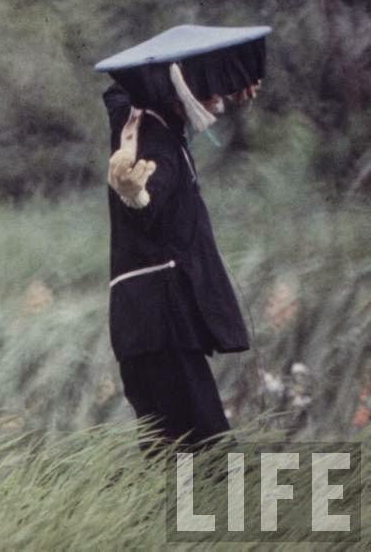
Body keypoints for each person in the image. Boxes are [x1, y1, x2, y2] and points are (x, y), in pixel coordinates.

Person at [93, 24, 269, 450]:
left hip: (147, 326)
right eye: (209, 89)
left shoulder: (141, 120)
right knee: (208, 455)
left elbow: (120, 93)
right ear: (178, 87)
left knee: (170, 460)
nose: (218, 102)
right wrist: (134, 194)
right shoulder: (157, 142)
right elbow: (148, 199)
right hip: (163, 322)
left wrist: (234, 76)